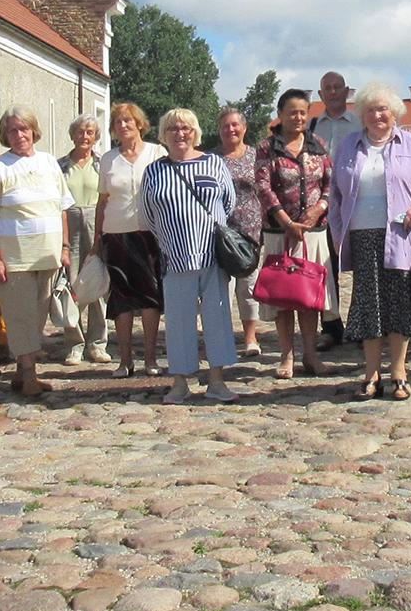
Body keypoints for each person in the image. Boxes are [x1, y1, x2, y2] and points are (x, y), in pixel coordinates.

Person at [327, 83, 411, 401]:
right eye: (371, 110)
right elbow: (335, 196)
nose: (378, 115)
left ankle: (399, 373)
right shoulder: (349, 146)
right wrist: (338, 235)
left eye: (384, 109)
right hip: (361, 235)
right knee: (369, 305)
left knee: (400, 303)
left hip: (400, 235)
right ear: (362, 114)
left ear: (395, 113)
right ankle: (371, 373)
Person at [0, 105, 75, 398]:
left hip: (47, 253)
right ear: (5, 134)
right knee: (19, 316)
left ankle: (21, 371)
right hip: (13, 257)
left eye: (24, 129)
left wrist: (65, 247)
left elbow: (62, 208)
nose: (19, 135)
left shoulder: (49, 163)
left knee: (38, 314)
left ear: (34, 131)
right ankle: (30, 375)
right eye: (12, 130)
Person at [141, 108, 240, 403]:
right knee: (178, 320)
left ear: (195, 132)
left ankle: (217, 381)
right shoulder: (154, 171)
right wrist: (169, 243)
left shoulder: (213, 163)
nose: (179, 134)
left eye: (185, 128)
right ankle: (180, 382)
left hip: (212, 256)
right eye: (173, 129)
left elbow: (229, 202)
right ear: (163, 135)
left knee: (217, 317)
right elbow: (147, 214)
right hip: (175, 257)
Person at [255, 89, 333, 380]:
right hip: (280, 231)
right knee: (284, 296)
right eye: (292, 112)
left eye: (303, 112)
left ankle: (310, 354)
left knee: (308, 296)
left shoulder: (318, 144)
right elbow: (263, 187)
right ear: (281, 114)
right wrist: (287, 222)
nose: (298, 117)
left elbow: (329, 183)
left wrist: (317, 211)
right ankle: (287, 355)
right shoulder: (268, 147)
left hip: (312, 232)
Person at [94, 102, 167, 377]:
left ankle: (150, 359)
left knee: (150, 298)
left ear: (139, 123)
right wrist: (96, 240)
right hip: (116, 234)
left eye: (128, 121)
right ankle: (124, 361)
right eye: (117, 122)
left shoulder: (157, 153)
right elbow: (102, 201)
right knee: (121, 299)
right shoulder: (108, 159)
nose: (123, 126)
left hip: (150, 233)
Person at [311, 70, 359, 350]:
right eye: (327, 88)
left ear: (346, 91)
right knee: (326, 269)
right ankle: (330, 327)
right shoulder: (312, 126)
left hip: (354, 203)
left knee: (361, 266)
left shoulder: (358, 124)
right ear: (320, 94)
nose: (332, 92)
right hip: (324, 207)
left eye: (337, 87)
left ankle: (360, 323)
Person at [59, 114, 110, 366]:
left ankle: (97, 343)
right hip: (69, 223)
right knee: (71, 285)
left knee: (97, 281)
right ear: (72, 135)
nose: (84, 137)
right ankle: (74, 344)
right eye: (80, 132)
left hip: (95, 220)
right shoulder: (61, 166)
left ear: (96, 137)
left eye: (89, 132)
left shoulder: (102, 164)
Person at [217, 107, 265, 355]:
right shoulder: (211, 159)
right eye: (225, 125)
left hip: (250, 231)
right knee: (220, 288)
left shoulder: (256, 157)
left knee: (247, 287)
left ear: (244, 128)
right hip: (219, 231)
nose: (231, 129)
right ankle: (221, 336)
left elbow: (266, 192)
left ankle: (250, 337)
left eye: (235, 125)